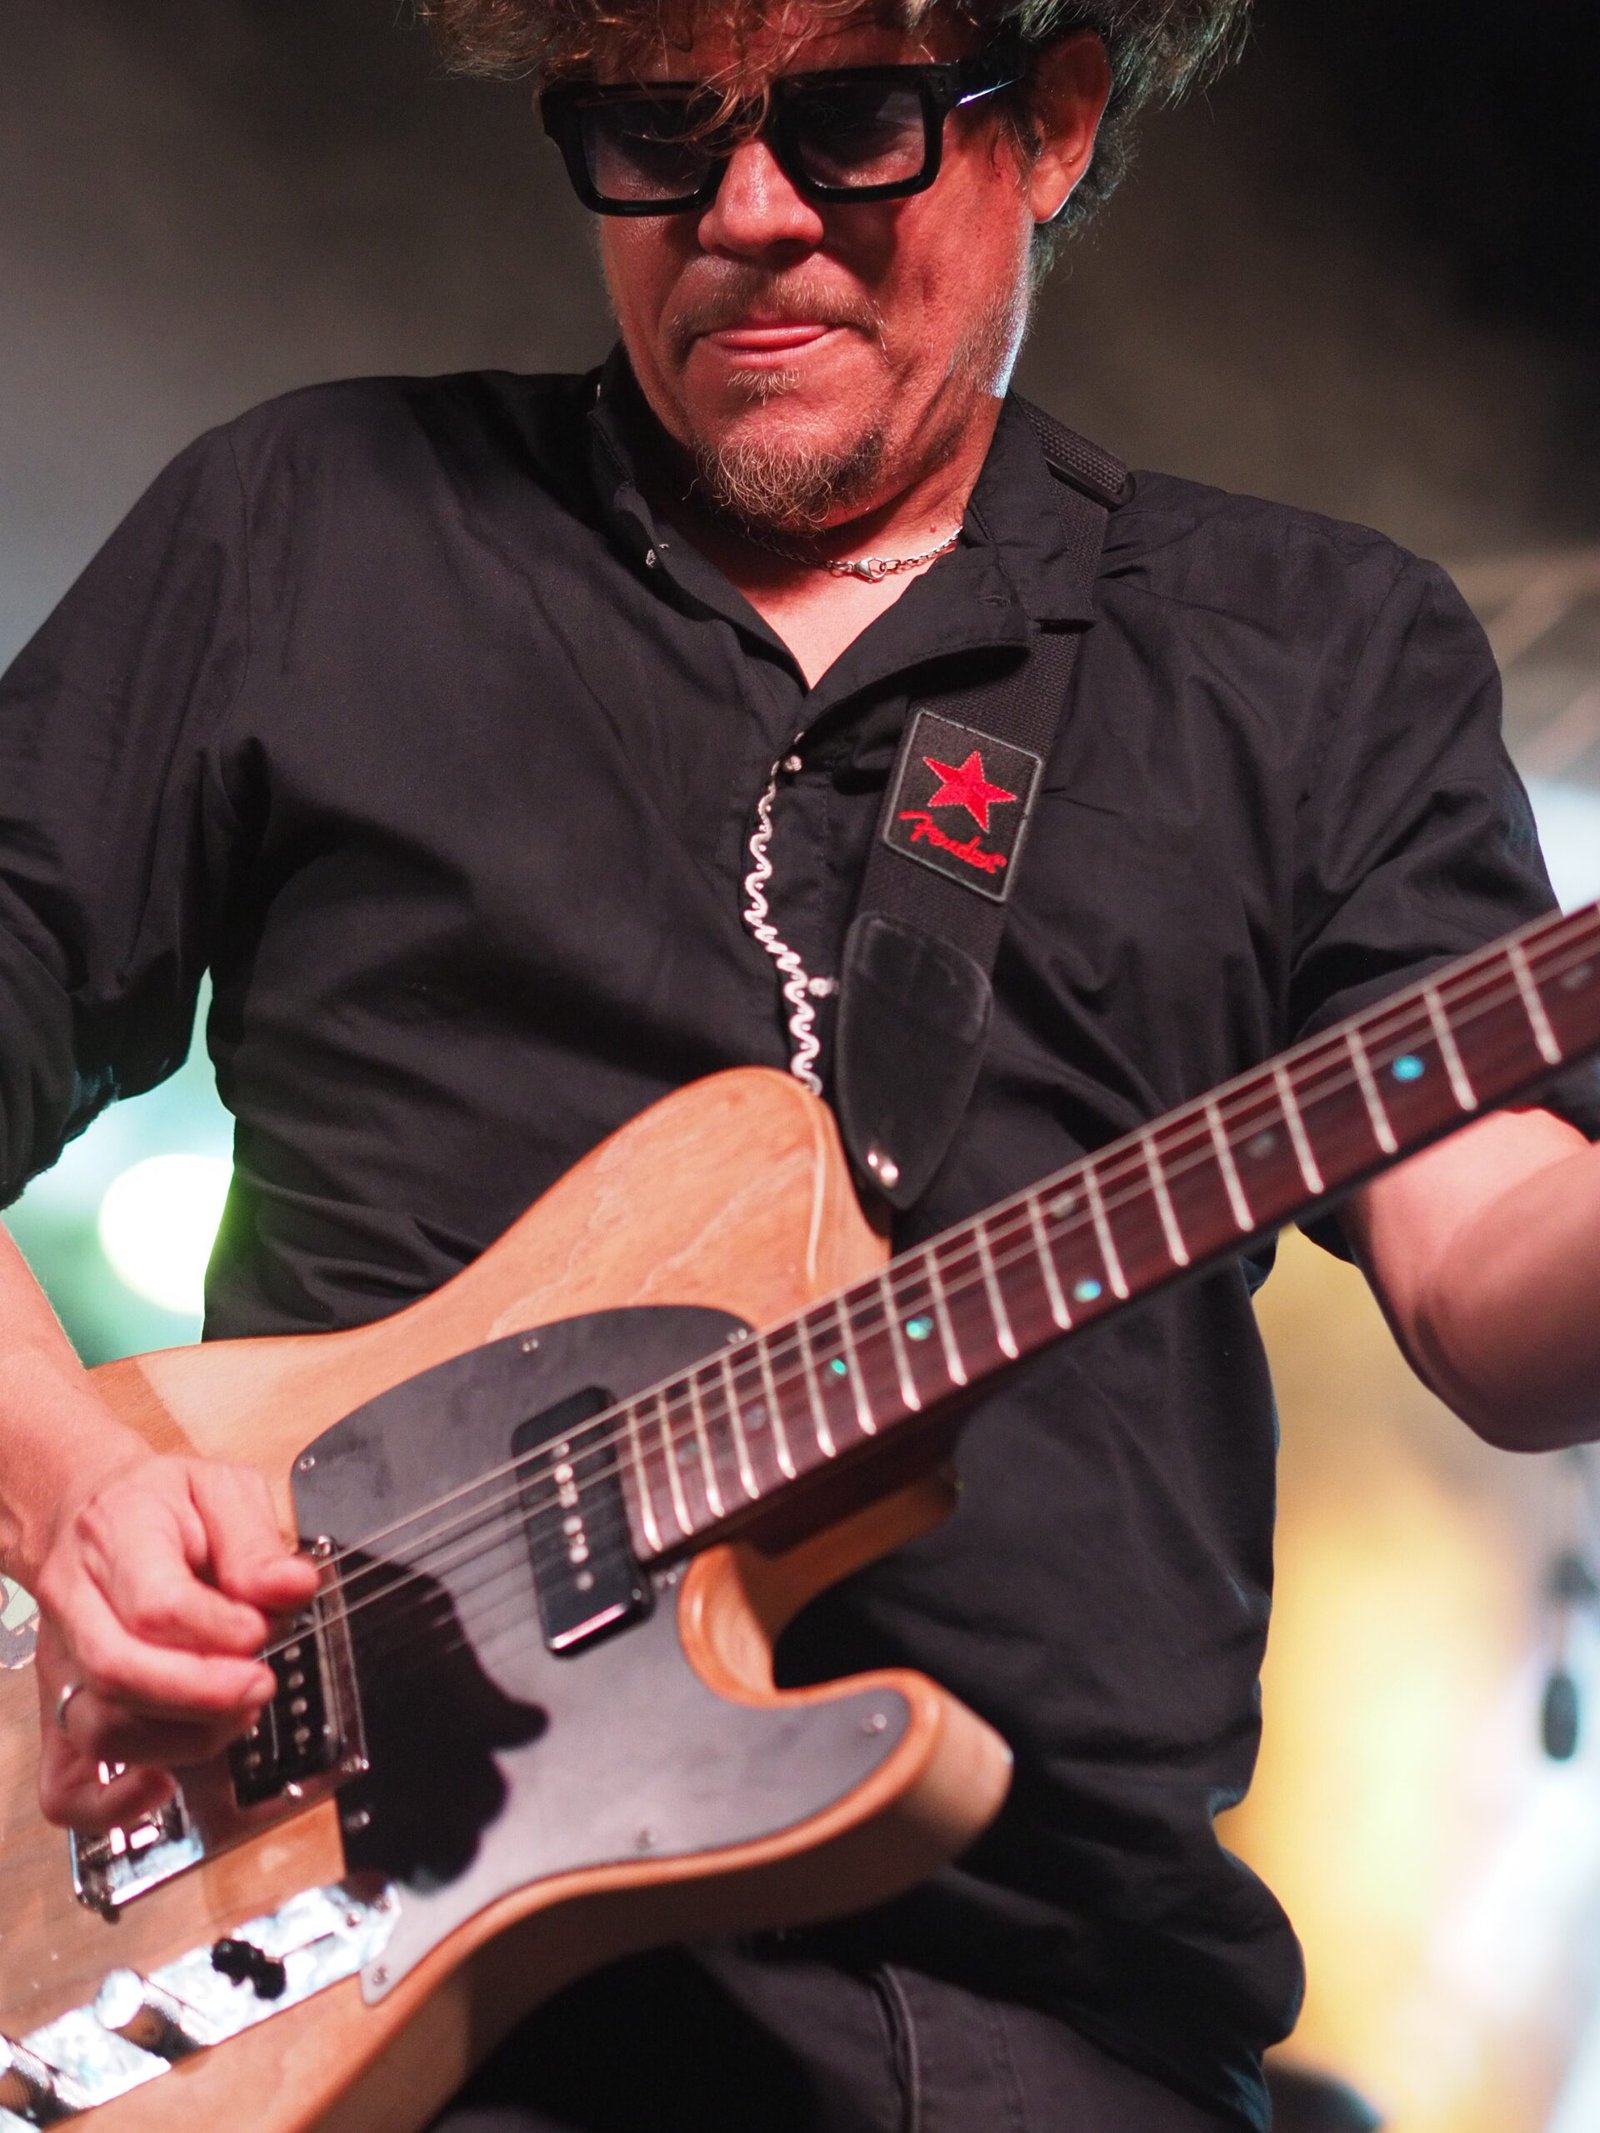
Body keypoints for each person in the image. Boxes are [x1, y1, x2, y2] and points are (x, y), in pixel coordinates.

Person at [2, 0, 1598, 2126]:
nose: (747, 211)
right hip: (369, 2003)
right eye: (659, 129)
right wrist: (77, 1494)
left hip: (1050, 2019)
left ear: (1051, 118)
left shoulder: (1311, 655)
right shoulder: (310, 529)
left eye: (848, 119)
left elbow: (1493, 1273)